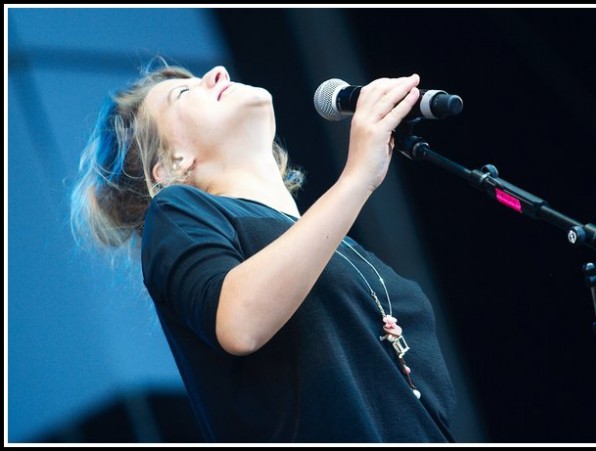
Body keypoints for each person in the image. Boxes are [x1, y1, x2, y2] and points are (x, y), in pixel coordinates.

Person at [70, 57, 457, 443]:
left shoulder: (349, 252)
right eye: (184, 92)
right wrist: (357, 178)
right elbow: (239, 322)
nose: (217, 73)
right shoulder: (176, 212)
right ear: (173, 162)